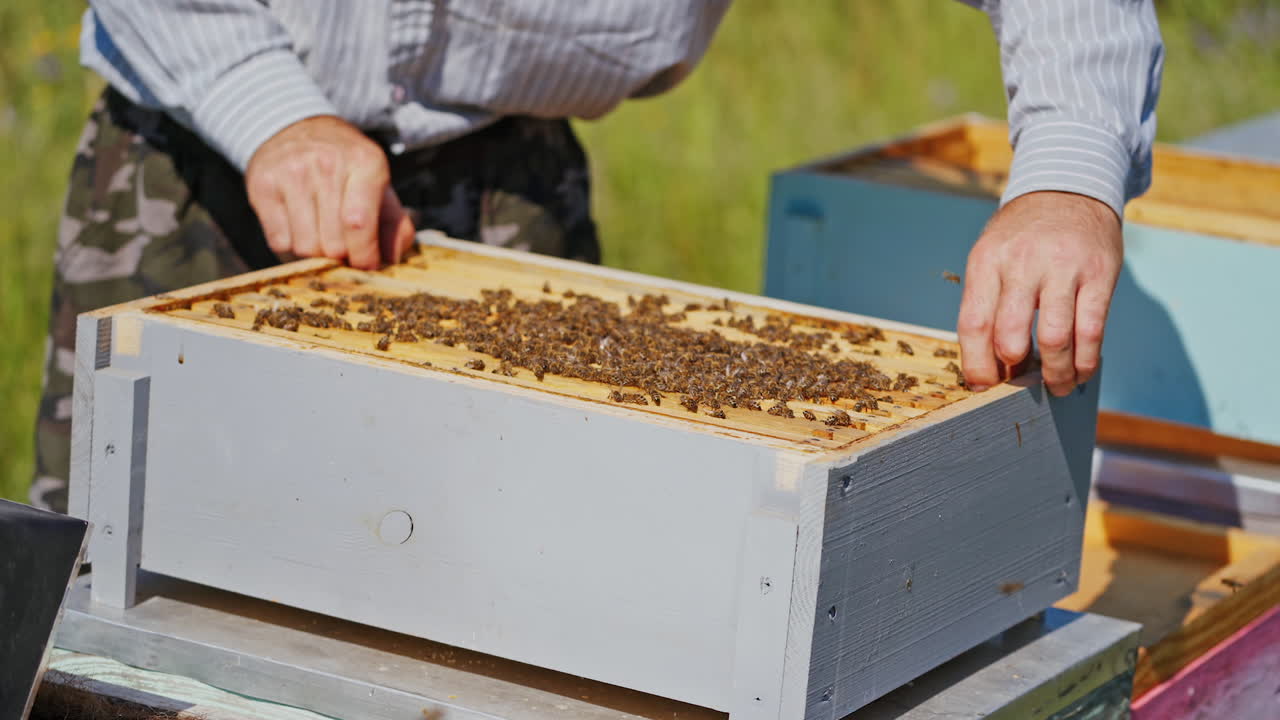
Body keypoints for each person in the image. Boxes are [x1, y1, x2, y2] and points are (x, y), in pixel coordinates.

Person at [30, 1, 1163, 512]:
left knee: (508, 574)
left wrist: (1066, 177)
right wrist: (271, 112)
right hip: (208, 154)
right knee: (124, 595)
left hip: (511, 172)